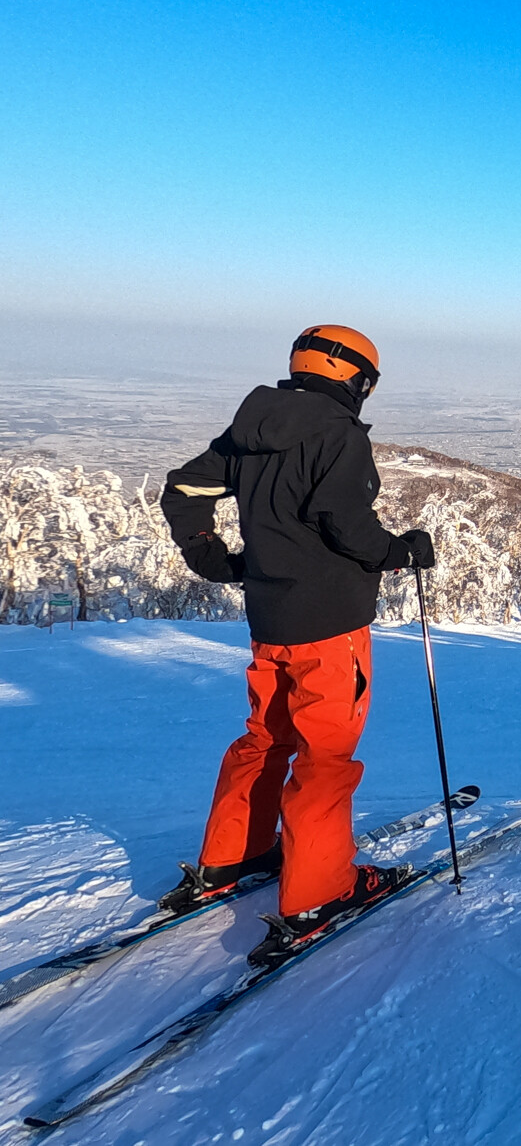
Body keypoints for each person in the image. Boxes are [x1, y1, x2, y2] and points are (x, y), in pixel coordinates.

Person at [158, 325, 434, 964]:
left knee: (265, 738)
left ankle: (235, 857)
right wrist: (402, 553)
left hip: (270, 622)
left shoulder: (252, 430)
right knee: (324, 756)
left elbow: (185, 488)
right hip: (331, 628)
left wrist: (209, 554)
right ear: (356, 379)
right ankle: (319, 893)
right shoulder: (339, 435)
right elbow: (345, 525)